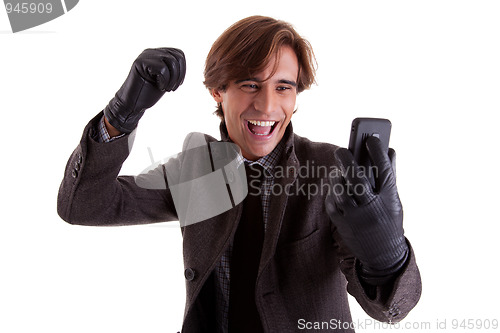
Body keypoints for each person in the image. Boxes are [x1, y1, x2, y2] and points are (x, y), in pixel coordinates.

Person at [57, 15, 421, 333]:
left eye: (283, 87)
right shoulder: (194, 170)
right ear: (218, 90)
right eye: (250, 84)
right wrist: (120, 116)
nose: (266, 105)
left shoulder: (331, 171)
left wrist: (387, 253)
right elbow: (84, 206)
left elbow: (391, 310)